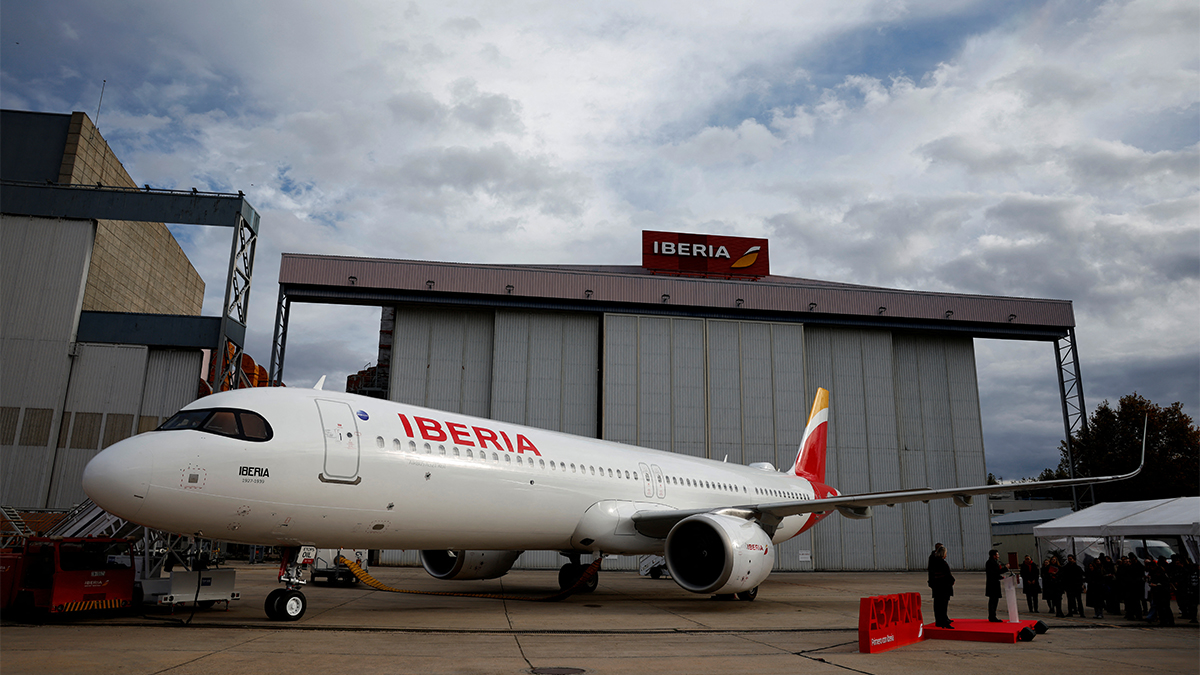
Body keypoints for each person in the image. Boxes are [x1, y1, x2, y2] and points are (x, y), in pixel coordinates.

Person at [927, 543, 955, 628]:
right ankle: (943, 622)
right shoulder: (942, 563)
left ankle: (939, 621)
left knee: (938, 604)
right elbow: (947, 575)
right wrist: (952, 580)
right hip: (943, 587)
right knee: (942, 605)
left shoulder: (935, 561)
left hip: (937, 586)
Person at [985, 549, 1008, 622]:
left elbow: (995, 573)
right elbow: (995, 572)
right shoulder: (991, 563)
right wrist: (1006, 568)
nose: (998, 556)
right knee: (993, 601)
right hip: (993, 585)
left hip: (994, 583)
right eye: (997, 555)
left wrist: (1000, 577)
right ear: (993, 555)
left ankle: (992, 615)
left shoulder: (993, 562)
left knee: (994, 601)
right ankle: (992, 616)